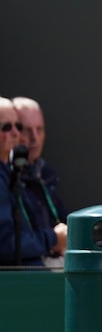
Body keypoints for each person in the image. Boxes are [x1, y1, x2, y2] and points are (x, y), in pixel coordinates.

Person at [0, 97, 67, 267]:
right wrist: (53, 238)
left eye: (18, 126)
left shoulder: (11, 173)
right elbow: (5, 245)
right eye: (6, 127)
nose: (16, 133)